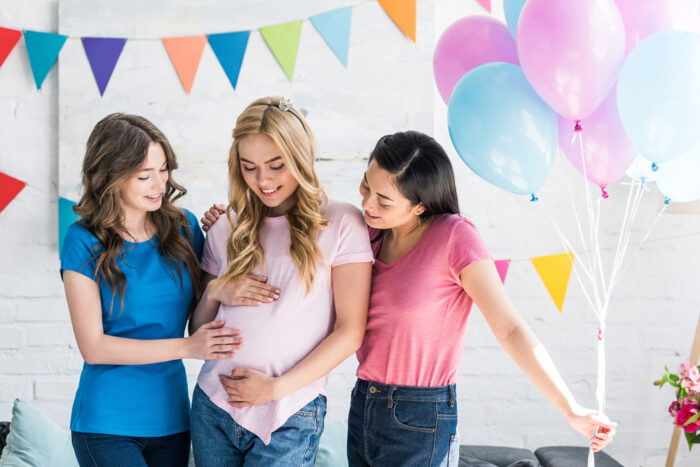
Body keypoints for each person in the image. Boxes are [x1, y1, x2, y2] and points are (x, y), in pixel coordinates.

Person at [203, 130, 618, 467]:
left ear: (419, 206)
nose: (367, 204)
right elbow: (295, 229)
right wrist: (233, 216)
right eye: (366, 187)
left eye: (383, 200)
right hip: (365, 403)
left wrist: (569, 408)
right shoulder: (367, 233)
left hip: (422, 413)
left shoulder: (455, 237)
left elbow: (510, 328)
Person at [188, 96, 373, 467]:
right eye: (249, 167)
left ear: (301, 159)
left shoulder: (340, 223)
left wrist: (275, 388)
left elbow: (350, 332)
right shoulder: (226, 227)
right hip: (213, 405)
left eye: (276, 165)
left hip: (291, 410)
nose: (263, 180)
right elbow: (198, 330)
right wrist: (214, 290)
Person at [61, 113, 241, 467]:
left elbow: (200, 321)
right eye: (144, 175)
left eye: (163, 170)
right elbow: (93, 347)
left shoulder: (185, 227)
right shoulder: (82, 240)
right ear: (110, 177)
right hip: (105, 422)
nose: (159, 184)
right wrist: (187, 348)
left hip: (172, 419)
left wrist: (227, 236)